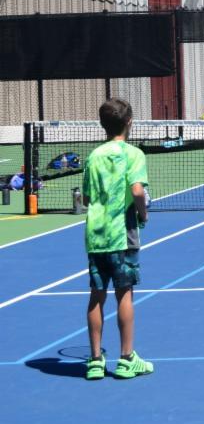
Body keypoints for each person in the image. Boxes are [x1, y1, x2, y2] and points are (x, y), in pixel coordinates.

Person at [82, 98, 153, 379]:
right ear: (129, 122)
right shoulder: (134, 154)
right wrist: (143, 213)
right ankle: (126, 359)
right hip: (122, 234)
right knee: (124, 293)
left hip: (96, 235)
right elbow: (137, 190)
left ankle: (95, 360)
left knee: (96, 296)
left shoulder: (93, 156)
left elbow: (86, 198)